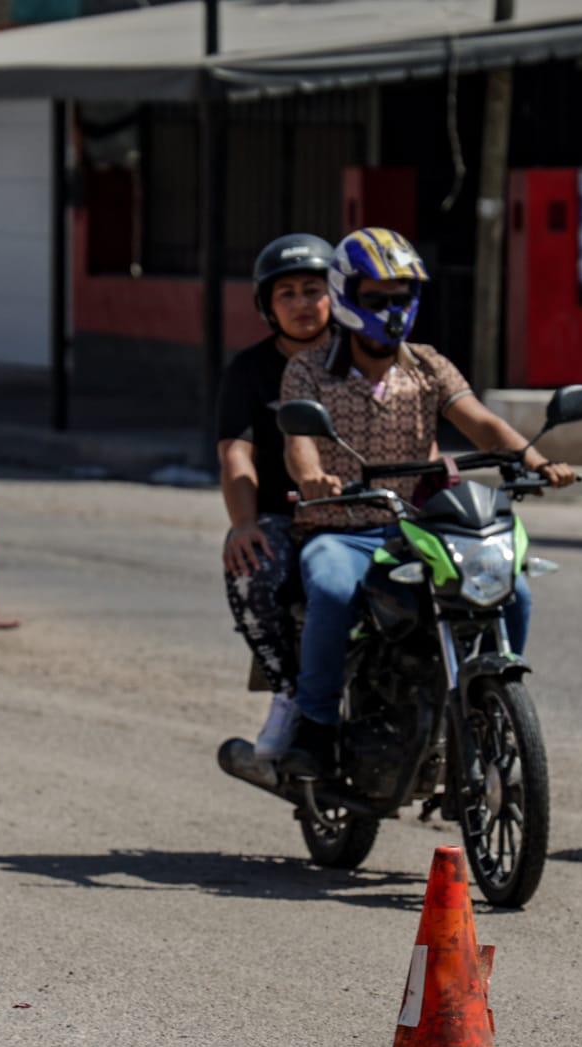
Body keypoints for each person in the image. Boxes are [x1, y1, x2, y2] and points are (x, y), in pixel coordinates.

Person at [266, 226, 576, 777]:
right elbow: (299, 444)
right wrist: (313, 478)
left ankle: (486, 705)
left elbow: (479, 421)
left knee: (513, 589)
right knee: (332, 589)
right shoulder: (308, 369)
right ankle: (315, 724)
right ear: (346, 296)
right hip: (341, 529)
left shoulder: (428, 365)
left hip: (419, 530)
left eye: (402, 297)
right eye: (376, 299)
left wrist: (536, 460)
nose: (392, 310)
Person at [215, 233, 336, 761]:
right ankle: (289, 692)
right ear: (268, 306)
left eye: (313, 289)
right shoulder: (249, 370)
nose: (302, 303)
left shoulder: (362, 356)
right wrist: (244, 524)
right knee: (253, 567)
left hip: (368, 511)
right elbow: (236, 455)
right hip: (284, 513)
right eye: (286, 294)